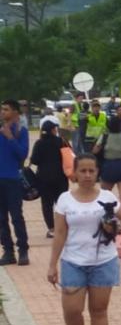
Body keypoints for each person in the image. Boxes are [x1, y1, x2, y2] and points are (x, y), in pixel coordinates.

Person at [46, 154, 121, 325]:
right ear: (75, 172)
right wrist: (52, 264)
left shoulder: (108, 196)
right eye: (83, 171)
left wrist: (117, 227)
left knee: (99, 310)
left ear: (98, 172)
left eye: (92, 171)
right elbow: (60, 233)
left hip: (104, 260)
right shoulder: (65, 200)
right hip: (73, 260)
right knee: (72, 310)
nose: (87, 175)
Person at [0, 99, 30, 265]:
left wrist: (10, 138)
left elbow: (22, 155)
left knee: (16, 216)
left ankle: (23, 250)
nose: (2, 112)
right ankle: (8, 251)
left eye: (6, 109)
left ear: (15, 113)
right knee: (1, 218)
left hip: (12, 179)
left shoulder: (21, 131)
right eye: (1, 109)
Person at [30, 121, 71, 239]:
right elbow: (70, 155)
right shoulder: (61, 141)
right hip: (60, 177)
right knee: (62, 203)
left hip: (43, 178)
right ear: (53, 130)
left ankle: (52, 229)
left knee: (47, 204)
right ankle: (63, 228)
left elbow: (34, 160)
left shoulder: (39, 143)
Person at [94, 116, 121, 201]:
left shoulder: (105, 136)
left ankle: (106, 212)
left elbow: (95, 150)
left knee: (104, 195)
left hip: (109, 166)